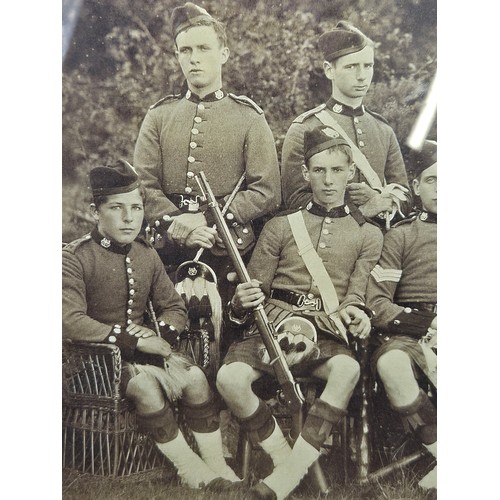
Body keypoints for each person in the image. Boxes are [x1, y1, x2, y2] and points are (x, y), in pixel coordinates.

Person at [217, 127, 384, 499]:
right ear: (306, 174)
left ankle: (287, 477)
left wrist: (356, 312)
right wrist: (239, 301)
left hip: (325, 329)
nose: (328, 180)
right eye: (319, 170)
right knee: (230, 379)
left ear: (350, 173)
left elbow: (356, 295)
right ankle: (285, 459)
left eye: (337, 171)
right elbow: (253, 289)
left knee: (348, 369)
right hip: (272, 324)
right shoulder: (280, 226)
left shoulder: (368, 234)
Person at [62, 159, 240, 490]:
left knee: (196, 378)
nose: (129, 218)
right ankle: (190, 469)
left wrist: (163, 334)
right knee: (145, 386)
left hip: (142, 354)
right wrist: (133, 341)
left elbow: (172, 305)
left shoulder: (146, 254)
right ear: (95, 211)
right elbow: (69, 321)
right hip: (93, 363)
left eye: (136, 207)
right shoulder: (75, 257)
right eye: (117, 208)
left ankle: (216, 466)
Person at [133, 2, 281, 298]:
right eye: (185, 51)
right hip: (166, 245)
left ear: (223, 54)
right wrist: (177, 222)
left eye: (203, 48)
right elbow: (144, 186)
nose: (194, 59)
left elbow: (267, 191)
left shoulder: (249, 117)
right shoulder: (159, 115)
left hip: (225, 244)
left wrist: (207, 219)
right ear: (177, 56)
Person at [281, 21, 410, 227]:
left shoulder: (382, 129)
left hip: (379, 244)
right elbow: (295, 200)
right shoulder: (304, 128)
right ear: (329, 70)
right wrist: (361, 211)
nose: (362, 76)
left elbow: (405, 196)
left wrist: (378, 197)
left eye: (368, 66)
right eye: (351, 67)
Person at [366, 140, 437, 490]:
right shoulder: (400, 236)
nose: (443, 189)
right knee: (390, 364)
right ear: (416, 186)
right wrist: (429, 323)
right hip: (412, 333)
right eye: (433, 180)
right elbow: (378, 305)